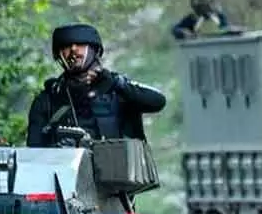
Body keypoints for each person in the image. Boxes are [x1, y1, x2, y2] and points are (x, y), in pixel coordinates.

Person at [26, 23, 167, 148]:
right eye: (66, 46)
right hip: (68, 169)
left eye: (80, 44)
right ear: (58, 55)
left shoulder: (118, 89)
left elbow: (158, 101)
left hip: (119, 168)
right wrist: (58, 151)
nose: (73, 49)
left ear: (95, 50)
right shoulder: (48, 99)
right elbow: (34, 152)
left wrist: (116, 83)